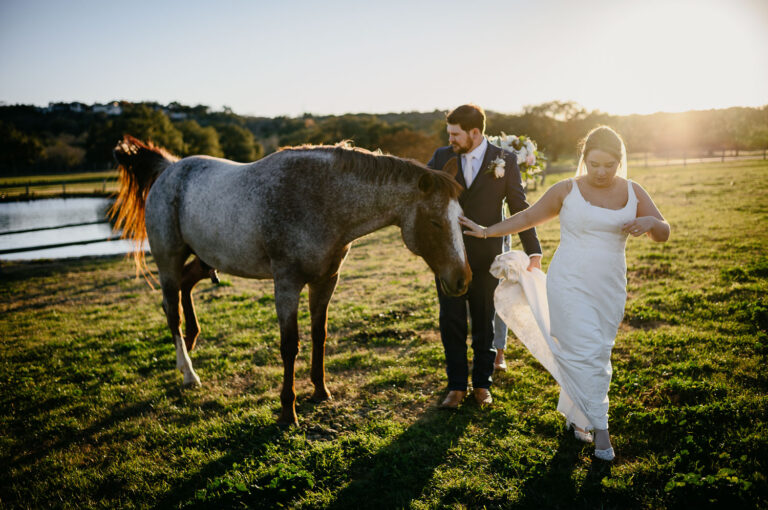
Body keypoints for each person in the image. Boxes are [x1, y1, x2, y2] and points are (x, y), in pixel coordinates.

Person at [460, 126, 670, 460]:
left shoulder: (634, 192)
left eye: (609, 165)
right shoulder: (566, 190)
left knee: (596, 351)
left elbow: (664, 231)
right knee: (587, 354)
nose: (601, 172)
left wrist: (651, 225)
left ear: (620, 162)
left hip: (610, 286)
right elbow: (527, 216)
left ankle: (577, 417)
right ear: (584, 158)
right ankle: (602, 431)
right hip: (568, 283)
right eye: (594, 164)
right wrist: (487, 232)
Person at [427, 104, 542, 408]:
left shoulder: (504, 160)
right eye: (448, 133)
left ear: (475, 133)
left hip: (487, 254)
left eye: (455, 134)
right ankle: (455, 386)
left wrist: (534, 250)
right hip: (449, 257)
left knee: (484, 321)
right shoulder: (440, 158)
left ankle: (481, 385)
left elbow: (519, 206)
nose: (449, 139)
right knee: (450, 320)